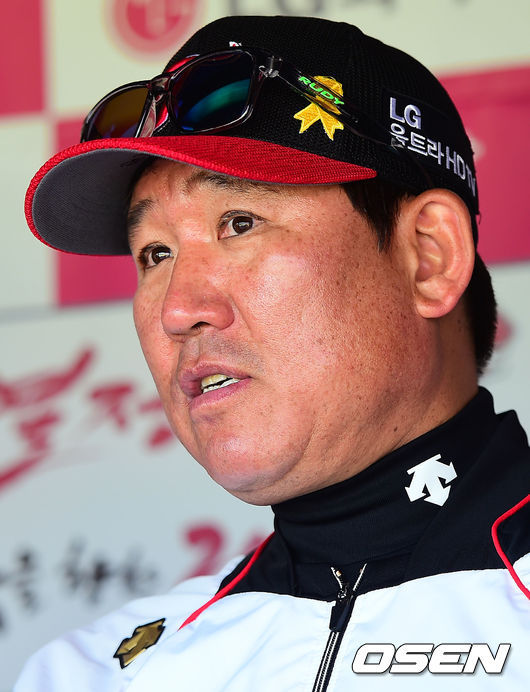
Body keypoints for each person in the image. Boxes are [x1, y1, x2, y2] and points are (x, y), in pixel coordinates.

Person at [16, 14, 529, 692]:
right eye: (155, 254)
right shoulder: (87, 675)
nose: (178, 310)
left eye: (239, 223)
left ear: (428, 257)